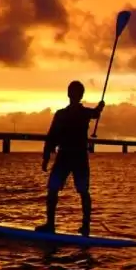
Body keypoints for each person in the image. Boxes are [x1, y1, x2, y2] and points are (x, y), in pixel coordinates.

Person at [36, 80, 104, 237]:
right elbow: (96, 113)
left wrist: (46, 157)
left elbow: (51, 137)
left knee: (54, 190)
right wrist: (100, 107)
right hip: (77, 156)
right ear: (81, 95)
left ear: (69, 94)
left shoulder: (62, 114)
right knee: (82, 191)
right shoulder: (84, 113)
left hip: (66, 156)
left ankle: (51, 225)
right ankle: (85, 226)